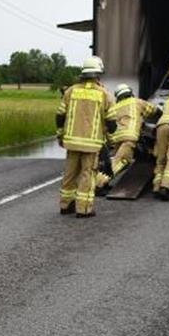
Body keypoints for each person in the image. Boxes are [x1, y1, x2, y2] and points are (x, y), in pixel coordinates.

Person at [55, 57, 116, 218]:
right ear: (97, 75)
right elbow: (111, 122)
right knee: (87, 174)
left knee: (70, 173)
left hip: (71, 142)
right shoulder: (104, 94)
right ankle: (83, 209)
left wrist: (60, 134)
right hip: (91, 144)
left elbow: (60, 115)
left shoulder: (70, 91)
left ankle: (65, 205)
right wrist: (111, 138)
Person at [95, 84, 161, 193]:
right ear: (130, 92)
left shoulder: (115, 107)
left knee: (114, 160)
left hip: (116, 138)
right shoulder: (137, 102)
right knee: (121, 161)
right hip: (129, 136)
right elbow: (154, 110)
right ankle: (98, 184)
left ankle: (101, 181)